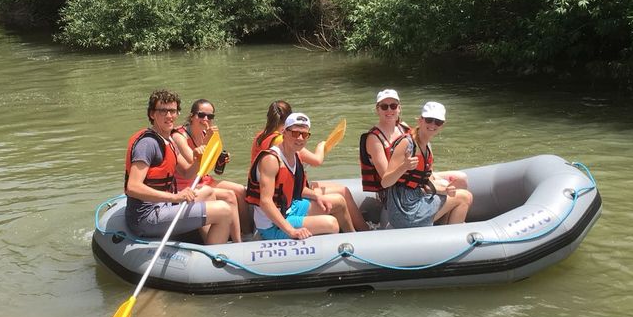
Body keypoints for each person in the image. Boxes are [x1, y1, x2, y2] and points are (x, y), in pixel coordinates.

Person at [125, 89, 237, 244]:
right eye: (163, 111)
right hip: (147, 217)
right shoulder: (148, 144)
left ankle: (209, 246)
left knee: (208, 192)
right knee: (224, 210)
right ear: (152, 114)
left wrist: (198, 159)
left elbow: (186, 173)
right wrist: (175, 197)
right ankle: (216, 257)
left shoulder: (169, 141)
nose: (169, 116)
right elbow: (133, 187)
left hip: (164, 206)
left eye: (173, 111)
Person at [251, 99, 368, 231]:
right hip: (274, 223)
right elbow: (266, 202)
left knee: (340, 202)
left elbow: (293, 188)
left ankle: (356, 239)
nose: (300, 138)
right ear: (284, 132)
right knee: (331, 223)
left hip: (290, 207)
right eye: (295, 133)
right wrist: (292, 231)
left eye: (304, 134)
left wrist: (317, 196)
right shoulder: (272, 158)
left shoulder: (287, 151)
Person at [381, 101, 473, 228]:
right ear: (420, 120)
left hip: (415, 202)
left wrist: (446, 191)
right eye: (429, 120)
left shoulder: (427, 148)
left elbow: (427, 185)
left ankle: (442, 233)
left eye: (438, 122)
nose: (433, 125)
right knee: (465, 197)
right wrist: (404, 167)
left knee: (454, 190)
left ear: (442, 125)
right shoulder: (406, 144)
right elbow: (385, 182)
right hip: (404, 211)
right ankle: (452, 241)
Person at [172, 98, 250, 236]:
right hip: (188, 183)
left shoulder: (205, 133)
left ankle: (248, 233)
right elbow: (196, 164)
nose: (206, 119)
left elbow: (212, 170)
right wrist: (207, 142)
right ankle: (237, 240)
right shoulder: (180, 136)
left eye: (210, 116)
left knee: (240, 190)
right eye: (201, 115)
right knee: (229, 195)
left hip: (205, 179)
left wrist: (220, 160)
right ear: (192, 116)